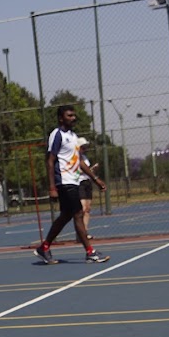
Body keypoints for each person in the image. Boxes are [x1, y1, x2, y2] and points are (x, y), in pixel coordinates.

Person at [34, 106, 109, 265]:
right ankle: (90, 252)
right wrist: (52, 187)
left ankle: (44, 247)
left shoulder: (73, 136)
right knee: (78, 213)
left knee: (66, 216)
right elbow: (50, 161)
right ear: (61, 118)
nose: (73, 118)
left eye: (74, 115)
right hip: (64, 181)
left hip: (73, 181)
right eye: (69, 115)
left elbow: (80, 161)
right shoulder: (57, 134)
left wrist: (95, 179)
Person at [77, 137, 98, 240]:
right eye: (83, 147)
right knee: (83, 208)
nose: (85, 149)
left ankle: (85, 232)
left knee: (88, 209)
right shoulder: (75, 158)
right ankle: (80, 233)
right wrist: (90, 169)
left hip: (87, 182)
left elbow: (87, 171)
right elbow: (78, 171)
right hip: (79, 183)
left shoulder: (85, 157)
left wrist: (91, 170)